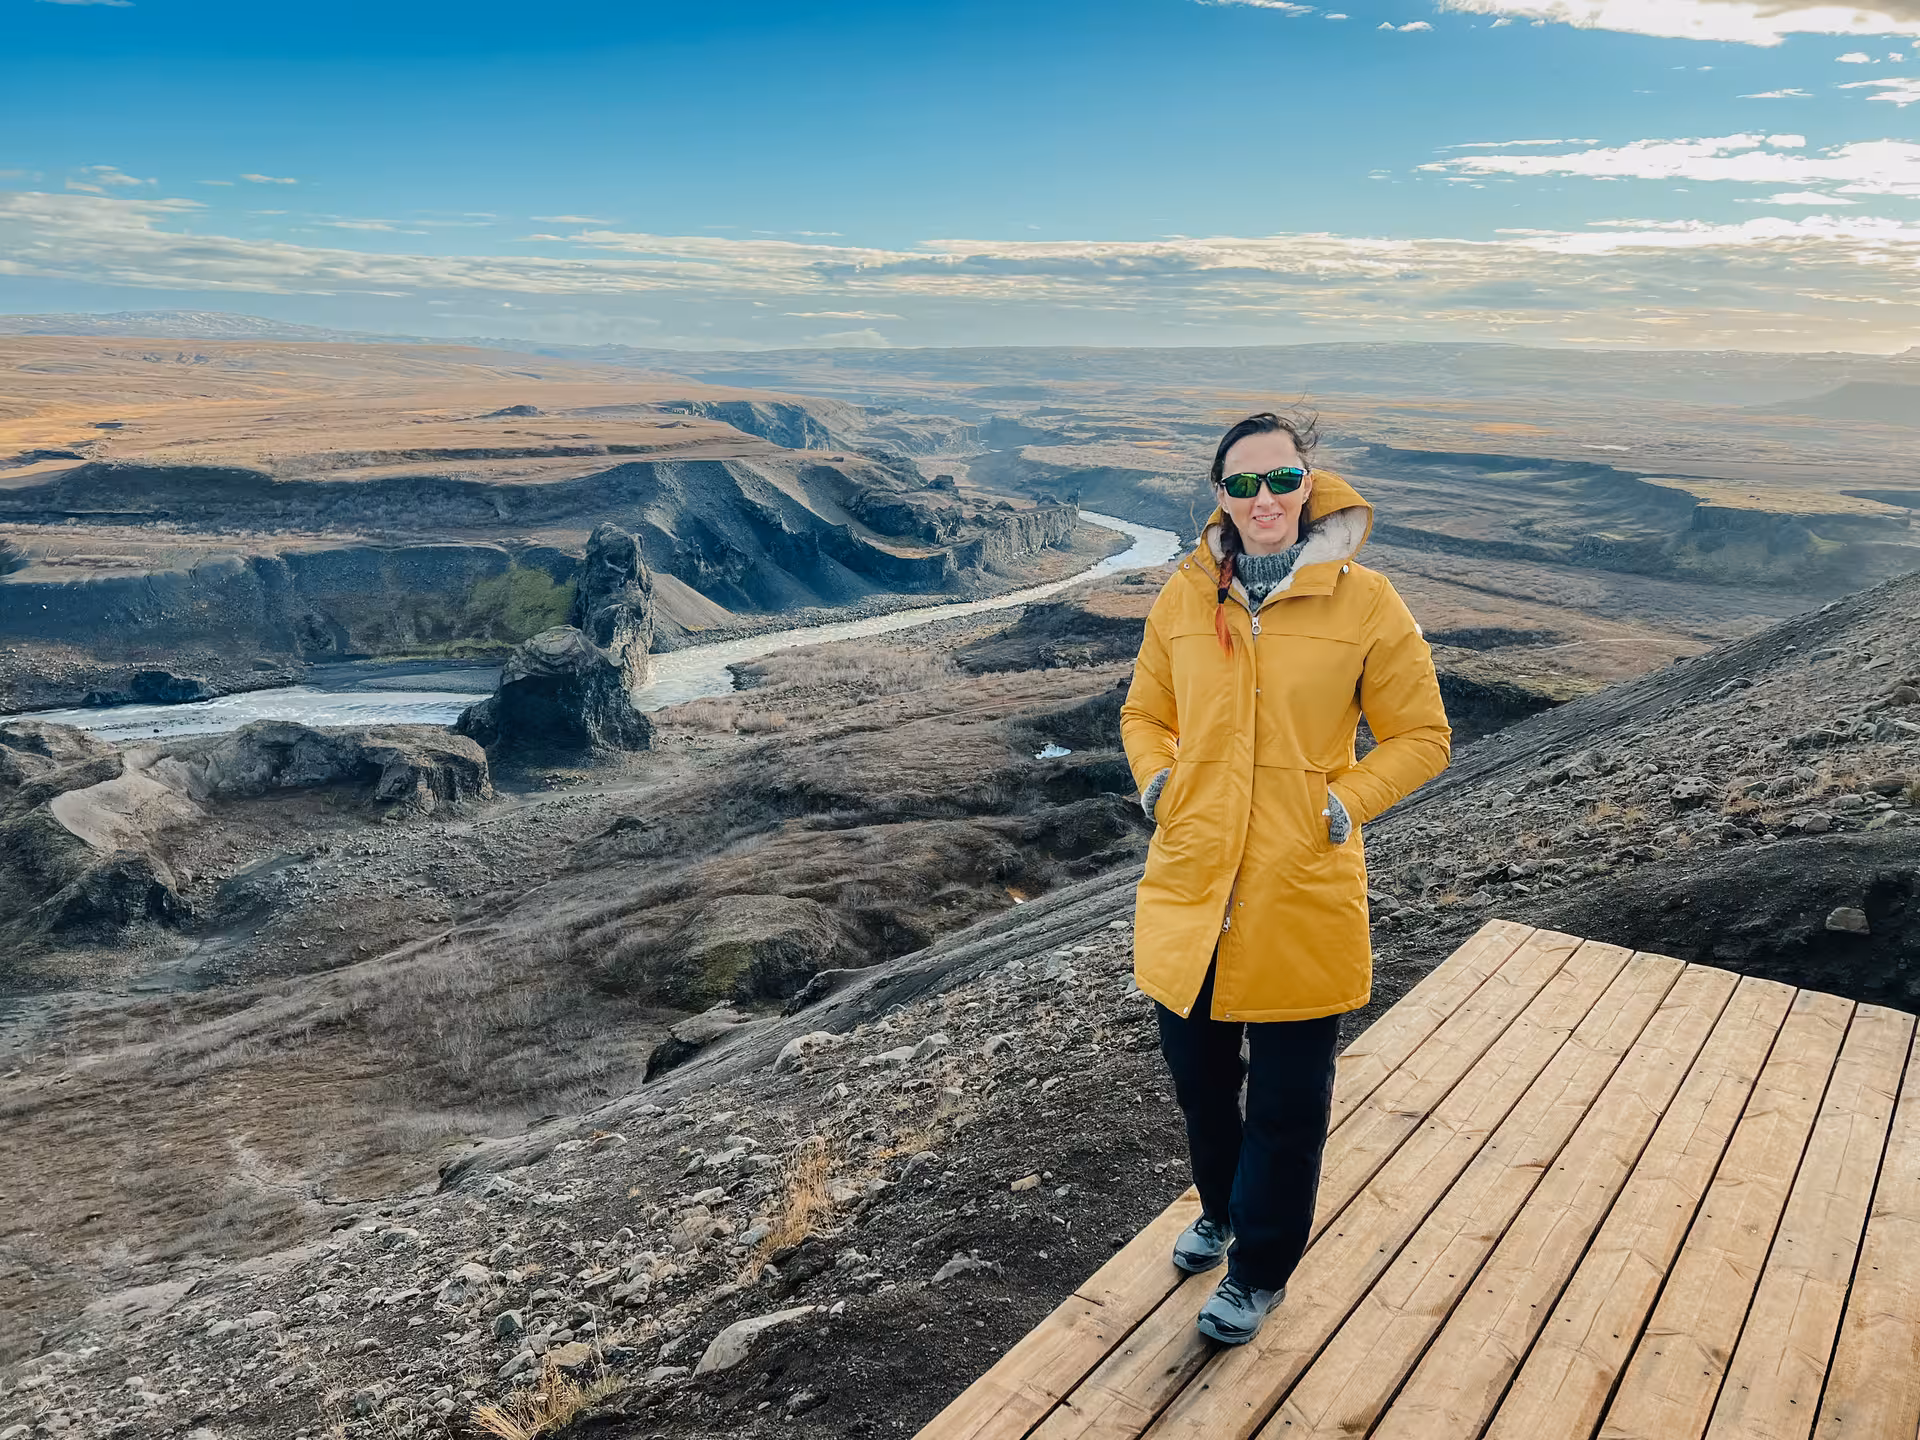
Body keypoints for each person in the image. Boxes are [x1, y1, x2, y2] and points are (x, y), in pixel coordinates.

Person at [1119, 411, 1451, 1345]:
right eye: (1241, 484)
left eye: (1279, 480)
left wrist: (1343, 804)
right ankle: (1221, 1212)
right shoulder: (1186, 596)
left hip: (1299, 888)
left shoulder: (1367, 602)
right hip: (1192, 888)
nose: (1262, 500)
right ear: (1219, 495)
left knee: (1288, 1105)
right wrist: (1157, 782)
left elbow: (1423, 737)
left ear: (1309, 485)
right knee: (1200, 1084)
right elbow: (1144, 709)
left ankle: (1258, 1270)